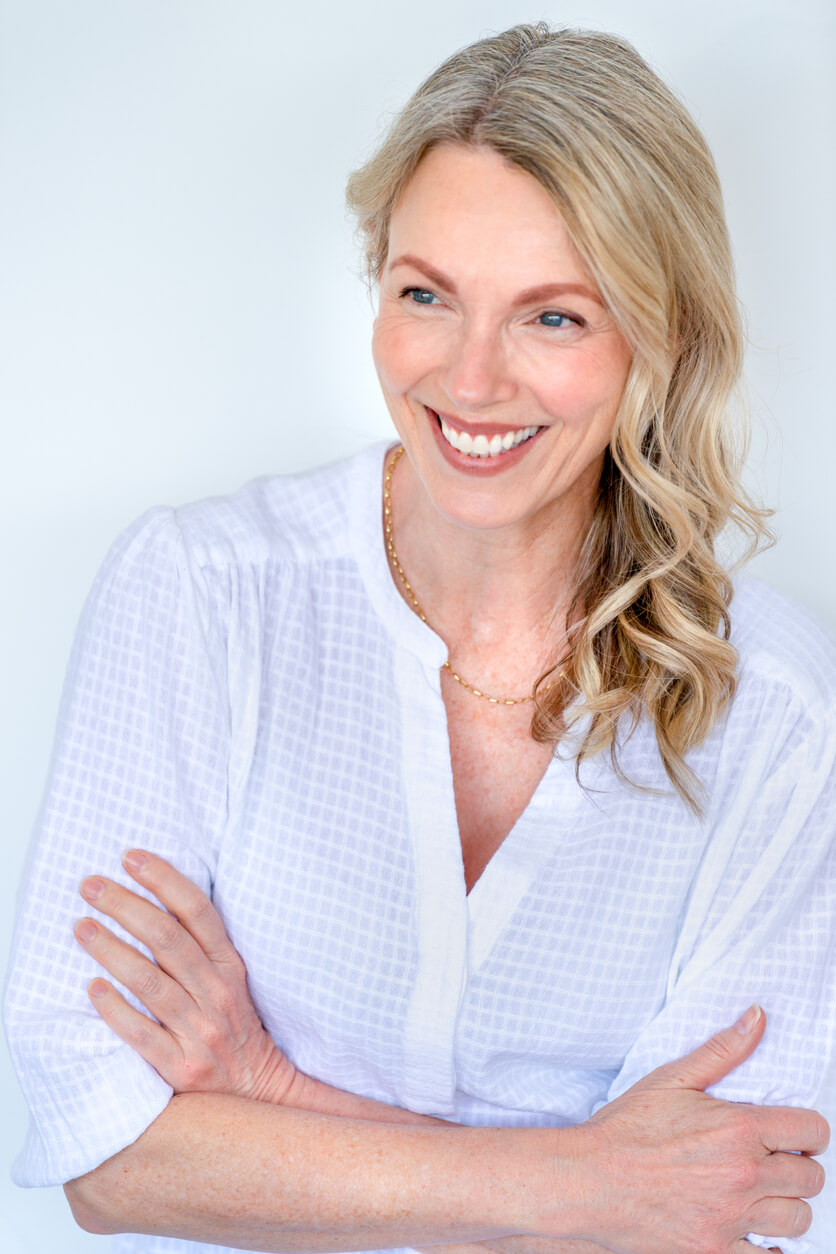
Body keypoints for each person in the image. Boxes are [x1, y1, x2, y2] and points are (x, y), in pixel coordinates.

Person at [4, 21, 835, 1254]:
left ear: (660, 342)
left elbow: (711, 1210)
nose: (469, 377)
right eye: (425, 295)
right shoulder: (200, 594)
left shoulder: (770, 707)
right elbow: (98, 1150)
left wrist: (273, 1102)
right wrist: (579, 1184)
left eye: (552, 318)